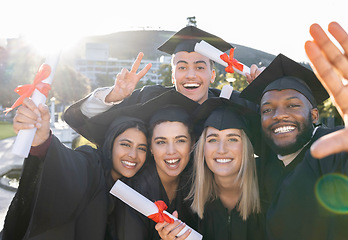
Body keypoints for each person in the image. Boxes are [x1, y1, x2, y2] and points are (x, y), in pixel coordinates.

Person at [63, 25, 262, 143]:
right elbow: (85, 118)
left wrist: (263, 91)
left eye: (200, 67)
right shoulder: (150, 97)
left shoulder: (231, 103)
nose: (190, 75)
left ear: (212, 75)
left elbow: (274, 131)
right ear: (172, 75)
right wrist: (113, 96)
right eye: (182, 67)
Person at [2, 98, 149, 240]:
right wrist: (42, 142)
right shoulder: (92, 163)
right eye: (125, 144)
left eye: (141, 148)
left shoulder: (137, 189)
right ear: (110, 145)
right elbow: (70, 166)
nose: (133, 155)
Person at [240, 51, 348, 239]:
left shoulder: (334, 153)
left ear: (314, 115)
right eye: (267, 109)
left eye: (292, 106)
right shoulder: (263, 170)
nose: (278, 115)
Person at [157, 97, 265, 240]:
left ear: (246, 146)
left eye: (232, 139)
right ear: (202, 148)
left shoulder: (268, 190)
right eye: (213, 140)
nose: (221, 149)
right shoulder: (187, 197)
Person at [111, 90, 200, 240]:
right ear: (150, 147)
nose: (171, 151)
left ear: (192, 144)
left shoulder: (197, 184)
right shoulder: (135, 192)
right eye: (161, 142)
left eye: (180, 140)